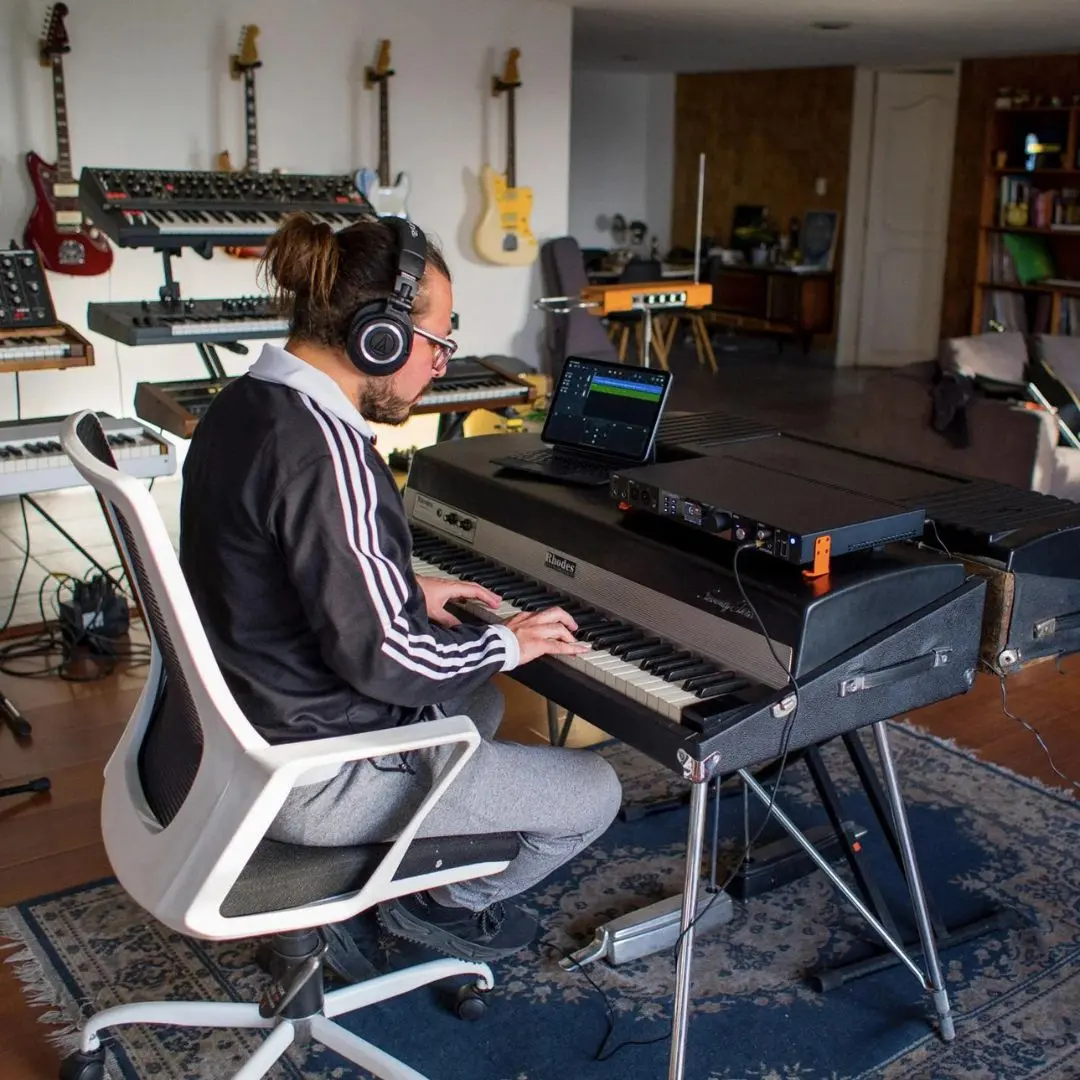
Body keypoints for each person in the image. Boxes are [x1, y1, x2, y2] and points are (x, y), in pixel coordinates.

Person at [178, 212, 623, 962]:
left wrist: (404, 587)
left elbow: (268, 566)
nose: (441, 365)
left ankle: (407, 862)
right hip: (315, 775)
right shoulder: (329, 454)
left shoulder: (242, 406)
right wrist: (508, 643)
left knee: (479, 703)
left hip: (244, 734)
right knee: (595, 791)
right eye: (437, 342)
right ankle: (439, 910)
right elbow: (388, 659)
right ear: (378, 338)